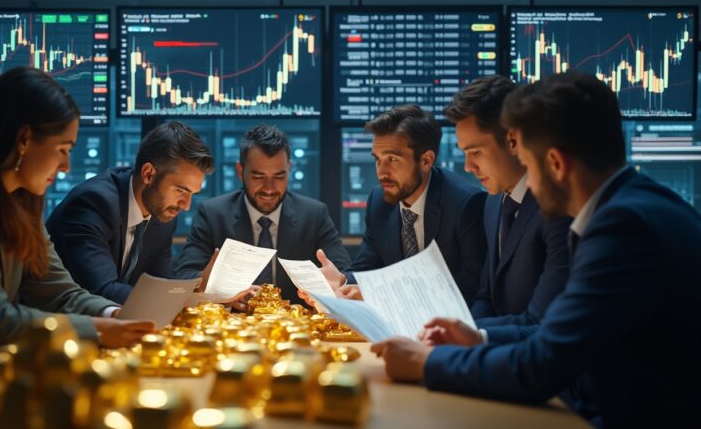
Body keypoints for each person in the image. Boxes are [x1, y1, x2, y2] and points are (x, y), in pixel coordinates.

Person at [370, 72, 701, 428]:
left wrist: (424, 363)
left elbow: (544, 361)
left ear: (556, 164)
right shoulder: (634, 205)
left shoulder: (622, 228)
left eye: (528, 160)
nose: (527, 178)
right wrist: (477, 337)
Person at [0, 67, 155, 357]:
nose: (66, 167)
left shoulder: (19, 200)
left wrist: (115, 315)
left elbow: (59, 293)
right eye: (63, 149)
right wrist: (98, 330)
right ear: (24, 139)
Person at [314, 104, 486, 305]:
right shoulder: (378, 201)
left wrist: (379, 296)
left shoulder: (465, 204)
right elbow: (366, 269)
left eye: (392, 159)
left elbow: (469, 291)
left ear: (426, 160)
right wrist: (342, 280)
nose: (381, 172)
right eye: (377, 159)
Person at [444, 75, 570, 342]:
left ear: (513, 141)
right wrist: (461, 330)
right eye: (464, 153)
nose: (468, 167)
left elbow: (542, 322)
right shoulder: (492, 203)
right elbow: (486, 296)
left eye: (475, 152)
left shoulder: (557, 210)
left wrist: (473, 336)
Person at [173, 124, 351, 305]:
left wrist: (340, 281)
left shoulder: (314, 215)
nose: (269, 189)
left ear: (289, 169)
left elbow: (344, 274)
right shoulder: (212, 215)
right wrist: (207, 285)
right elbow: (183, 277)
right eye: (258, 177)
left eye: (279, 176)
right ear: (240, 171)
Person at [46, 121, 215, 305]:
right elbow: (102, 290)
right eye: (181, 190)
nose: (186, 206)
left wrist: (199, 286)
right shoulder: (94, 203)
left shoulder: (162, 215)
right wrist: (182, 299)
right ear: (148, 174)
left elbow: (160, 284)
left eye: (192, 194)